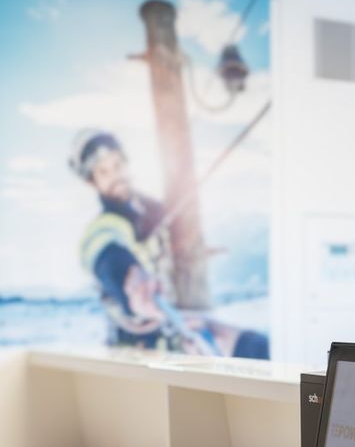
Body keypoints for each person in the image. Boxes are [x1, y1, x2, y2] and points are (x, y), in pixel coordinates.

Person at [69, 129, 268, 358]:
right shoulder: (101, 228)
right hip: (138, 352)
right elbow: (108, 253)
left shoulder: (152, 212)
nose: (116, 175)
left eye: (117, 165)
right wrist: (133, 283)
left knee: (256, 348)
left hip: (179, 328)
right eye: (104, 172)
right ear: (93, 182)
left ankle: (308, 392)